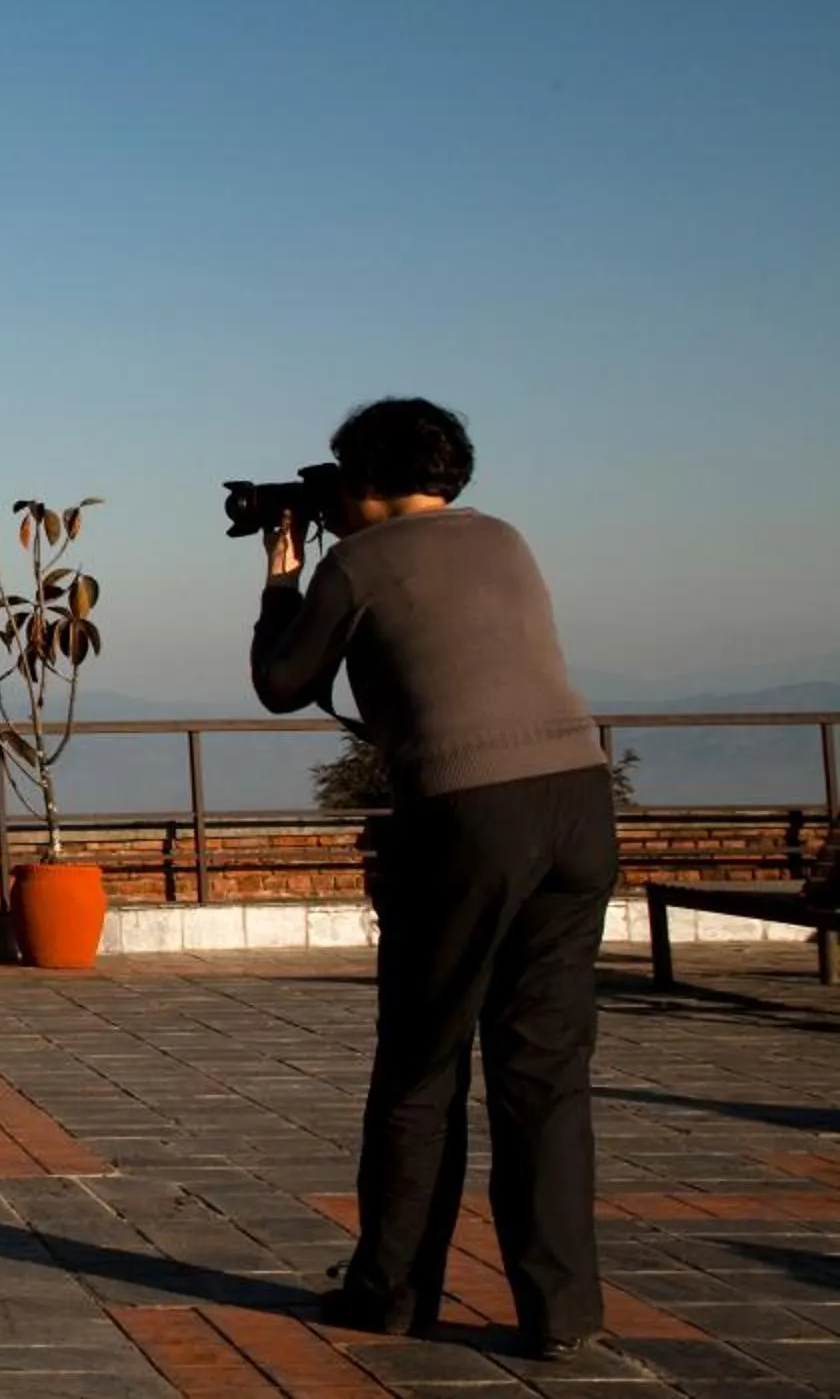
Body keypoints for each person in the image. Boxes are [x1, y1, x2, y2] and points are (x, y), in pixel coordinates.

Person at [249, 398, 616, 1361]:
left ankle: (393, 1293)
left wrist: (282, 583)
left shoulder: (355, 563)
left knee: (423, 1059)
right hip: (580, 799)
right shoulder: (505, 539)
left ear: (364, 482)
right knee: (544, 1074)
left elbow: (283, 683)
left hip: (469, 815)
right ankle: (561, 1311)